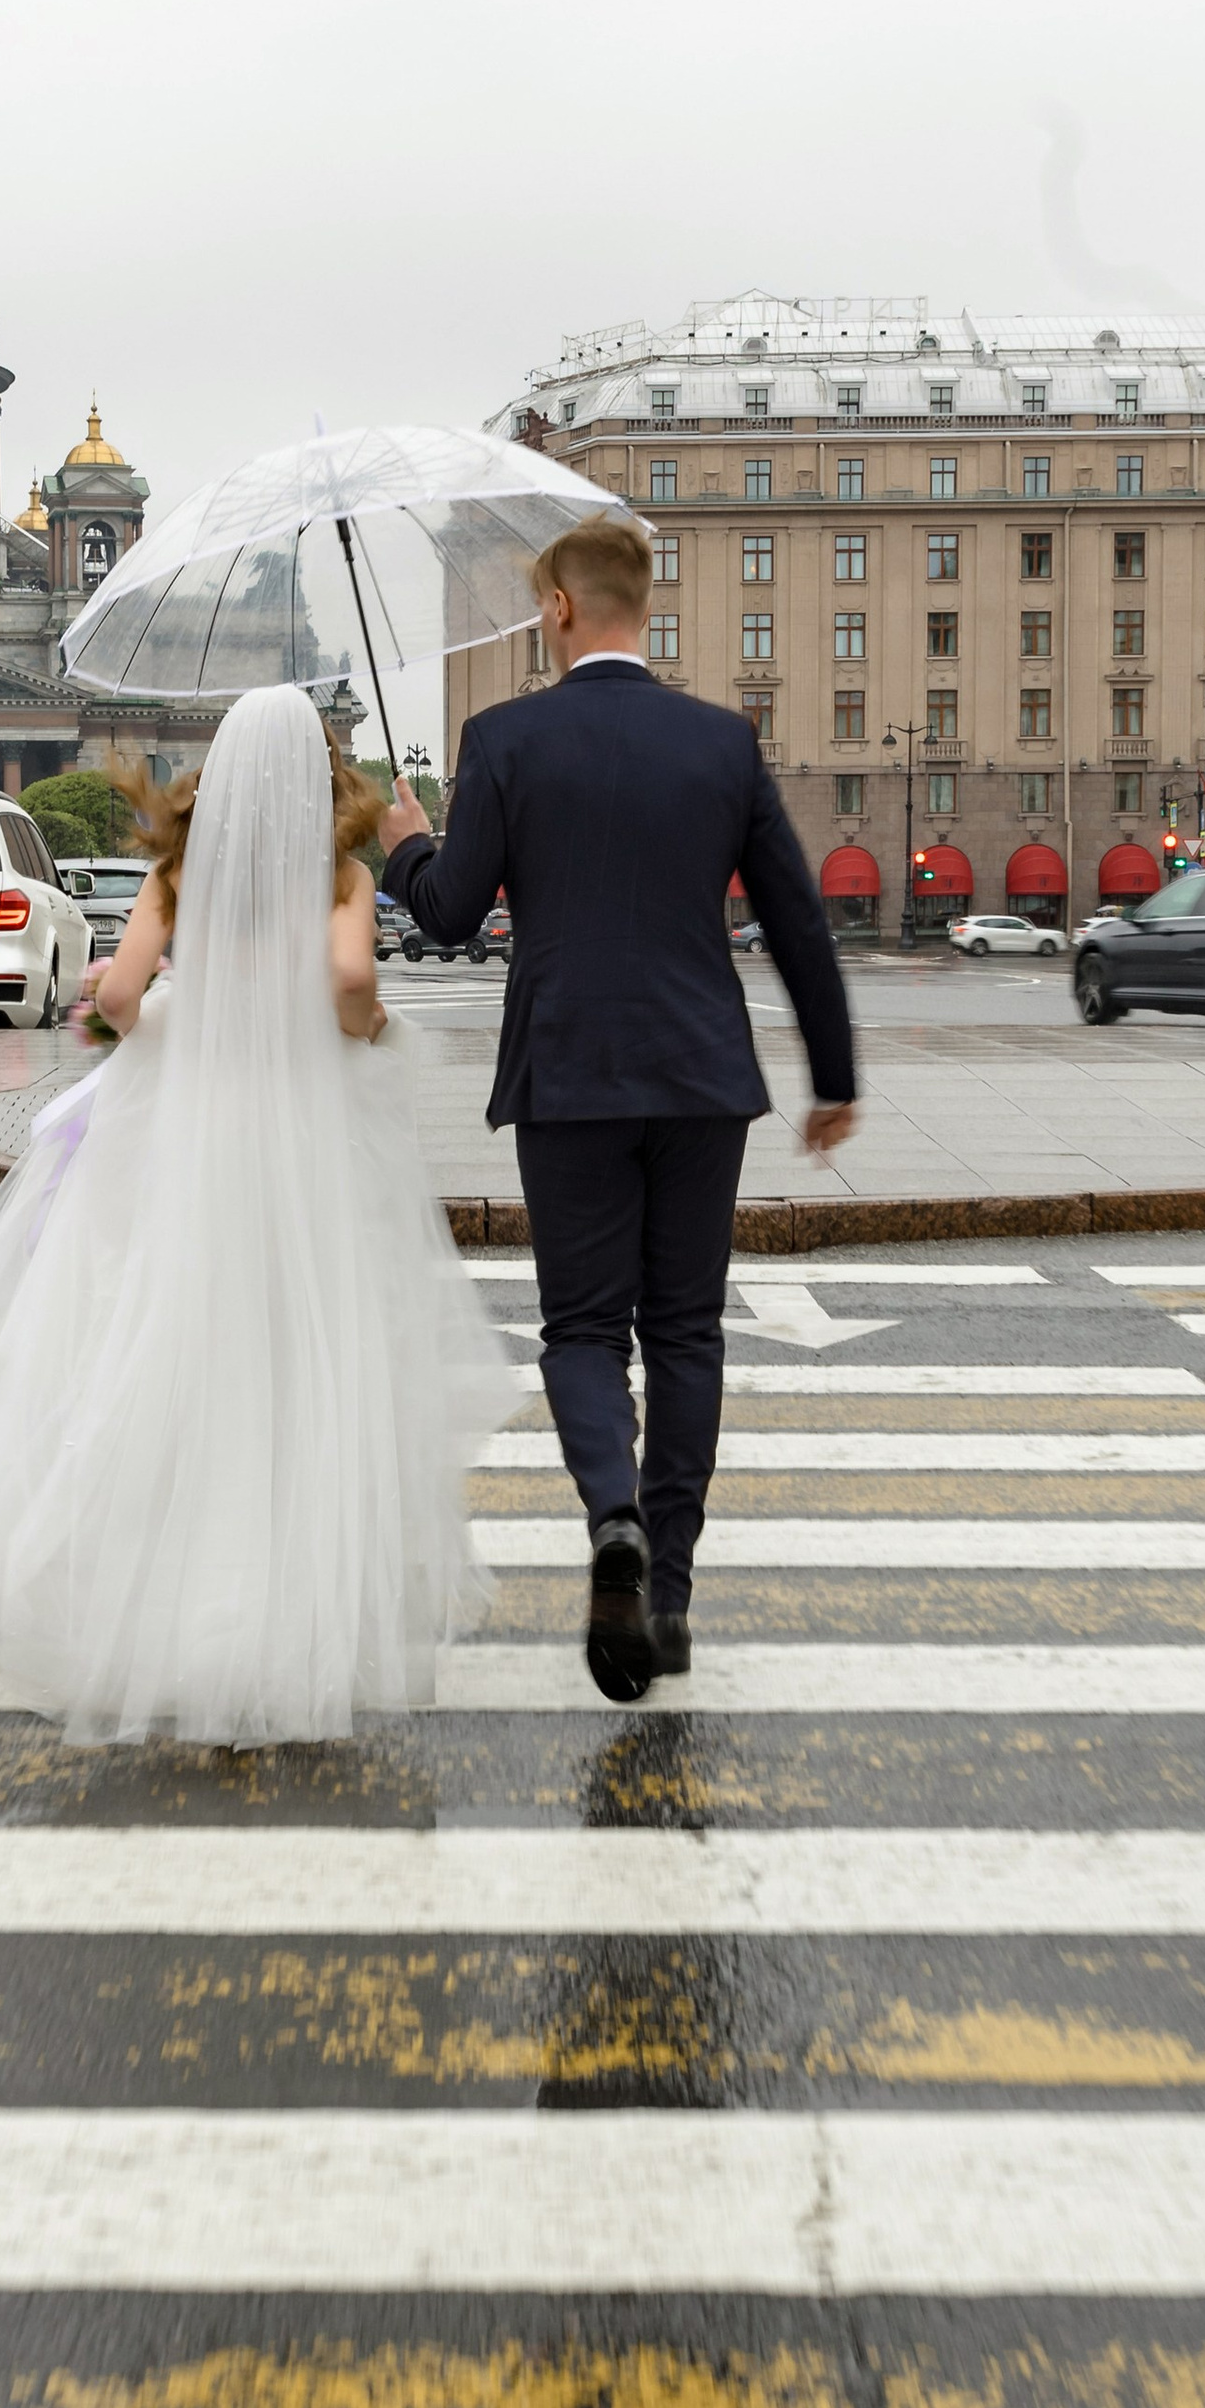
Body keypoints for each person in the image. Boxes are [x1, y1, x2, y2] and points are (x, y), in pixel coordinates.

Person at [0, 683, 515, 1743]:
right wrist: (359, 1026)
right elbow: (350, 981)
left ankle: (163, 1619)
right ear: (321, 778)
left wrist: (173, 1016)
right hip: (305, 1150)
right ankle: (285, 1623)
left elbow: (122, 1001)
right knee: (301, 1373)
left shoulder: (178, 878)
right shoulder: (342, 876)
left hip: (191, 1145)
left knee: (170, 1358)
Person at [379, 514, 857, 1701]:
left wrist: (403, 845)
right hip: (700, 1074)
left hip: (569, 1070)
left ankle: (612, 1523)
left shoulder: (504, 737)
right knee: (686, 1332)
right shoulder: (720, 742)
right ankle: (675, 1594)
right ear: (644, 608)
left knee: (583, 1330)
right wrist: (834, 1076)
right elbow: (796, 917)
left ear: (555, 610)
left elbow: (445, 914)